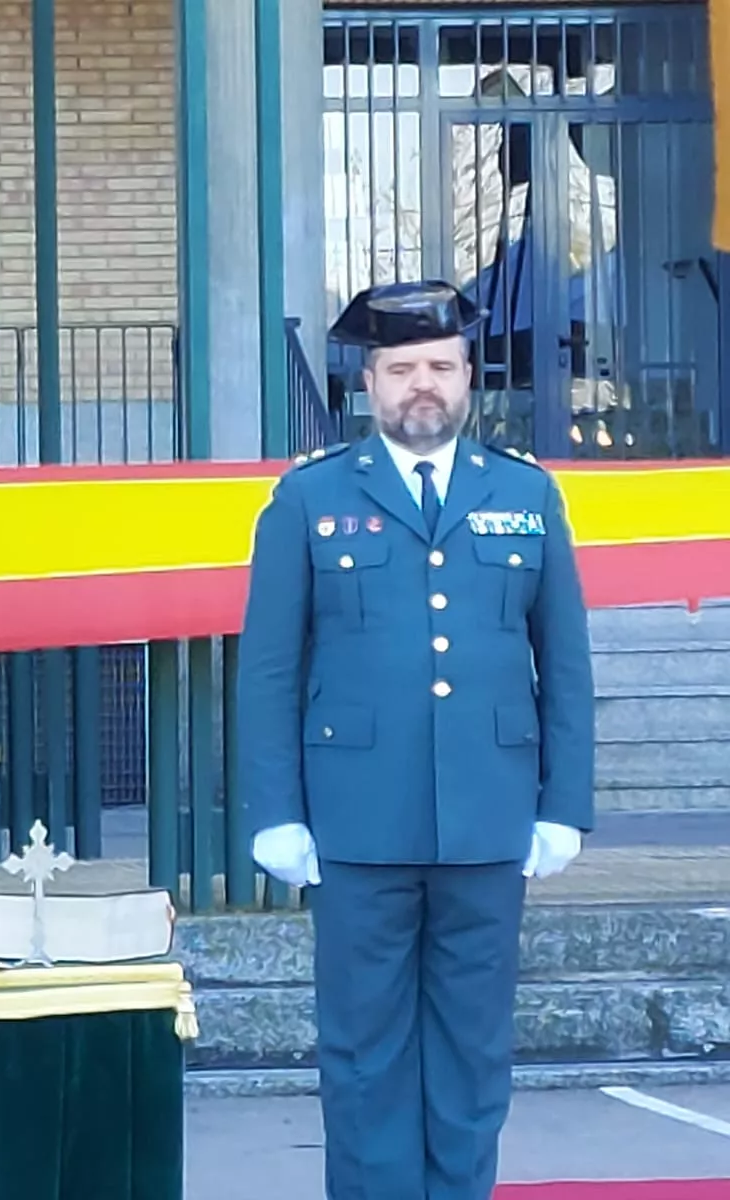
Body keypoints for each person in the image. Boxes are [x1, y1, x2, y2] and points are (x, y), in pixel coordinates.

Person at [237, 280, 595, 1200]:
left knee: (475, 1049)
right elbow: (272, 668)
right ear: (369, 383)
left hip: (489, 817)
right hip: (356, 824)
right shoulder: (309, 498)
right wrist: (276, 813)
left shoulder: (526, 493)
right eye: (402, 370)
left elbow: (564, 663)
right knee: (363, 1051)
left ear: (468, 375)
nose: (422, 385)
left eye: (440, 366)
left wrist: (564, 807)